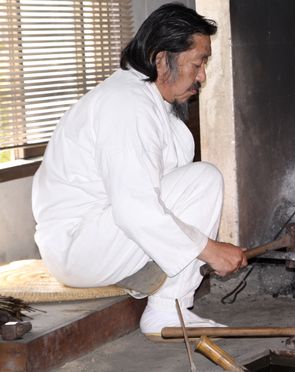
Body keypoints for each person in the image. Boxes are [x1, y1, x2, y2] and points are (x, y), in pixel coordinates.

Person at [31, 3, 247, 341]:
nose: (203, 76)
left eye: (204, 63)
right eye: (198, 63)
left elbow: (160, 194)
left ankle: (164, 290)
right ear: (162, 60)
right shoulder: (126, 105)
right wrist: (209, 249)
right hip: (80, 245)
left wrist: (199, 246)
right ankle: (166, 308)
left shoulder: (151, 101)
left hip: (103, 232)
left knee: (201, 181)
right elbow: (136, 209)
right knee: (203, 179)